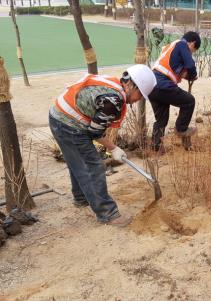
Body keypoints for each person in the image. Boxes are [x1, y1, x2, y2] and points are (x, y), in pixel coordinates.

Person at [49, 65, 156, 227]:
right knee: (93, 167)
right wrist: (113, 148)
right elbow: (95, 133)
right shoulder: (114, 101)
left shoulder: (114, 84)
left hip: (58, 116)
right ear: (131, 85)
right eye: (140, 95)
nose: (138, 99)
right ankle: (108, 213)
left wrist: (112, 147)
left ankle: (81, 197)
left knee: (76, 160)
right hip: (69, 124)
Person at [149, 31, 201, 152]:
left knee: (161, 119)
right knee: (189, 101)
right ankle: (181, 129)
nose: (191, 53)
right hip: (163, 84)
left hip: (152, 85)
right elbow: (190, 64)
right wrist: (193, 75)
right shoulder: (182, 45)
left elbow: (174, 67)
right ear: (192, 43)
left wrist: (186, 75)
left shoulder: (170, 47)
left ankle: (156, 146)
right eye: (193, 50)